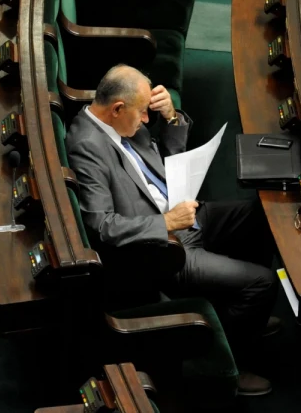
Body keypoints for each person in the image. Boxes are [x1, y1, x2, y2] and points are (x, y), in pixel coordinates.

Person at [66, 64, 278, 397]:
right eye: (142, 113)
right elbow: (101, 225)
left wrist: (171, 117)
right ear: (117, 108)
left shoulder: (119, 121)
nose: (144, 121)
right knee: (262, 283)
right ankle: (232, 363)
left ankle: (244, 312)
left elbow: (166, 155)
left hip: (182, 210)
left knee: (261, 216)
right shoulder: (87, 146)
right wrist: (166, 223)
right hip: (166, 246)